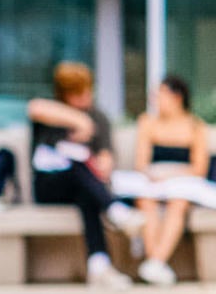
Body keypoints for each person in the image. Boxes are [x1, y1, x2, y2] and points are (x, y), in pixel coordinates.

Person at [27, 61, 144, 289]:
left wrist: (101, 164)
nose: (86, 96)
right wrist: (79, 120)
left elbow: (106, 158)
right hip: (49, 187)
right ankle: (116, 211)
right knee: (73, 164)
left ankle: (99, 266)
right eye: (78, 93)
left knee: (86, 191)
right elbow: (35, 107)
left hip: (84, 188)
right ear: (64, 94)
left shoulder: (99, 117)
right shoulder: (51, 113)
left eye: (88, 90)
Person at [129, 76, 207, 287]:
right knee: (145, 201)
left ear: (177, 97)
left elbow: (199, 168)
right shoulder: (147, 122)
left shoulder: (195, 126)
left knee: (178, 203)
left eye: (160, 95)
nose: (155, 100)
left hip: (182, 184)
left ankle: (154, 262)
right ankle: (156, 265)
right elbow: (140, 162)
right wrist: (153, 175)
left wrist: (172, 174)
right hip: (153, 183)